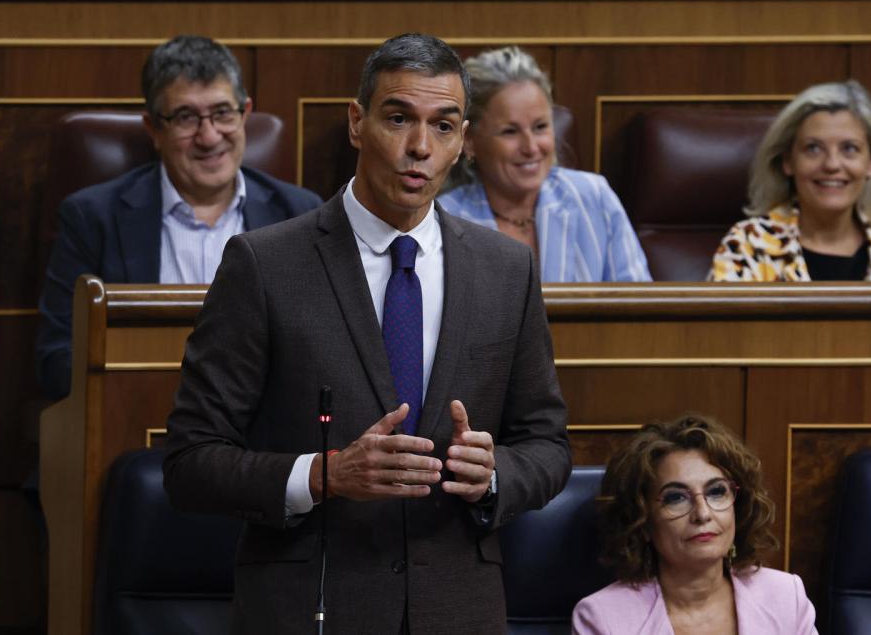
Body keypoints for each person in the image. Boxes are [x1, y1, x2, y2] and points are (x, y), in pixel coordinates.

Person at [162, 33, 571, 634]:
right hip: (310, 605)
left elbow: (548, 445)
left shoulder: (505, 269)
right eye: (399, 118)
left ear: (462, 141)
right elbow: (191, 461)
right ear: (357, 122)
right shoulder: (264, 264)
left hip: (458, 609)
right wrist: (324, 475)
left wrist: (494, 476)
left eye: (444, 126)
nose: (419, 148)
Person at [34, 35, 322, 401]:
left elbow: (319, 348)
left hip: (261, 432)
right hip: (142, 423)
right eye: (186, 117)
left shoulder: (299, 213)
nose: (209, 136)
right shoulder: (93, 218)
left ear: (245, 113)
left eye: (222, 113)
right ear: (154, 128)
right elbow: (57, 358)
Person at [573, 416, 817, 635]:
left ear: (737, 507)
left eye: (716, 492)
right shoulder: (603, 619)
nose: (702, 514)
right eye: (676, 498)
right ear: (642, 520)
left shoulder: (785, 597)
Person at [437, 46, 651, 283]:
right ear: (469, 141)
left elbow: (640, 310)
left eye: (540, 127)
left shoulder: (594, 198)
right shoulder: (445, 219)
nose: (531, 147)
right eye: (510, 132)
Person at [709, 80, 871, 282]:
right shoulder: (749, 247)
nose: (831, 164)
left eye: (849, 149)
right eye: (813, 148)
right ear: (788, 161)